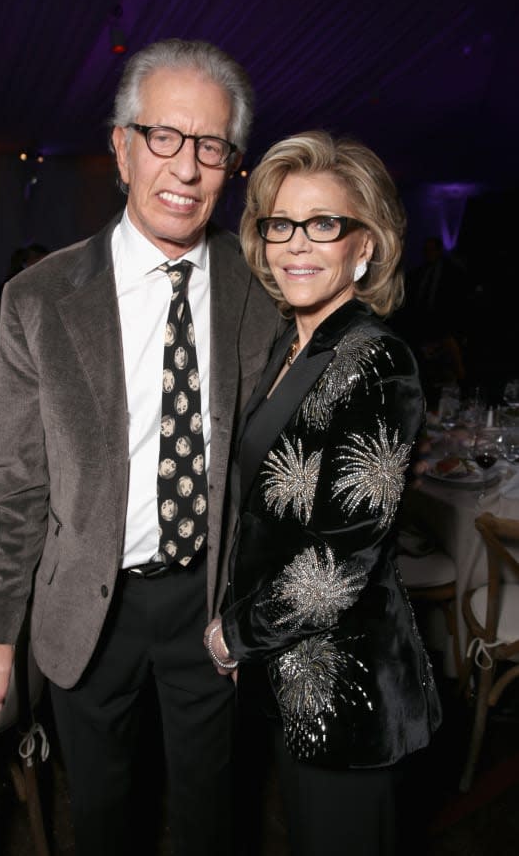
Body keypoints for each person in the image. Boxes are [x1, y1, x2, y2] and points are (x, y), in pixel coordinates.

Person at [0, 38, 281, 856]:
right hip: (85, 611)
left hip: (208, 605)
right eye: (163, 136)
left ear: (231, 162)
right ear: (121, 146)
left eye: (210, 145)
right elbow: (19, 482)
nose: (186, 166)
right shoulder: (37, 300)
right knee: (103, 819)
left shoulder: (262, 285)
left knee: (212, 817)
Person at [204, 131, 442, 855]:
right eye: (281, 223)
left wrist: (233, 632)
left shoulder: (378, 362)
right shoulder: (295, 341)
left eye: (324, 223)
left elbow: (340, 563)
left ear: (362, 246)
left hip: (349, 686)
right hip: (288, 671)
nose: (297, 244)